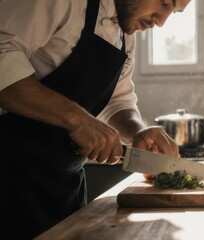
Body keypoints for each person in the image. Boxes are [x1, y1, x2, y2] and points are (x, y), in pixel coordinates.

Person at [0, 0, 191, 239]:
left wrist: (138, 131)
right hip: (8, 184)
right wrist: (78, 120)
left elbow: (116, 102)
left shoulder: (125, 31)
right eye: (165, 2)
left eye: (173, 12)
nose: (161, 21)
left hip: (64, 191)